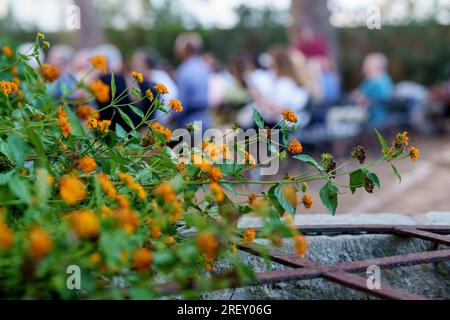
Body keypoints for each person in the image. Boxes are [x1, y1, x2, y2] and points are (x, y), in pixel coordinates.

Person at [173, 32, 211, 129]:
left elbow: (181, 103)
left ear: (185, 50)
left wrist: (170, 117)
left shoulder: (184, 69)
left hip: (189, 122)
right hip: (205, 119)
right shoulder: (203, 66)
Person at [353, 53, 394, 125]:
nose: (364, 67)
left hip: (373, 117)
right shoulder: (386, 78)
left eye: (366, 64)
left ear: (375, 66)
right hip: (385, 116)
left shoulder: (373, 80)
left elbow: (358, 97)